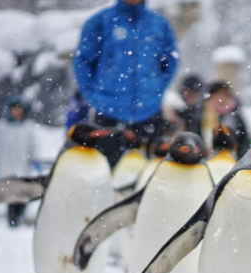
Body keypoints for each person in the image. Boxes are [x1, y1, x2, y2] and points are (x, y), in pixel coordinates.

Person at [73, 0, 179, 167]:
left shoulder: (159, 23)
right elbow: (83, 61)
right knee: (105, 173)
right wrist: (94, 97)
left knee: (152, 175)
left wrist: (157, 90)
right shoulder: (101, 21)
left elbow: (170, 60)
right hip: (109, 113)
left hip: (150, 112)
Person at [0, 96, 40, 227]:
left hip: (23, 170)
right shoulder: (1, 127)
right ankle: (13, 222)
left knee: (22, 197)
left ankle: (18, 219)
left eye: (19, 109)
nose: (17, 112)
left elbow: (34, 146)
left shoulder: (28, 127)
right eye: (14, 109)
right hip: (6, 169)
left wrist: (35, 159)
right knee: (11, 197)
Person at [202, 82, 250, 159]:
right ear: (212, 96)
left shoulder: (235, 114)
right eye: (218, 93)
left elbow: (244, 140)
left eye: (224, 93)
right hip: (208, 158)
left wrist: (241, 158)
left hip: (232, 158)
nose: (222, 97)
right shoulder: (204, 114)